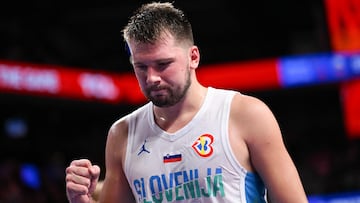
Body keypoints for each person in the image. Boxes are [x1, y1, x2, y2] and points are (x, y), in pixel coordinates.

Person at [65, 2, 308, 203]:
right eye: (141, 67)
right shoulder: (122, 134)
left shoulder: (245, 115)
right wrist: (81, 201)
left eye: (163, 65)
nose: (152, 78)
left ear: (193, 57)